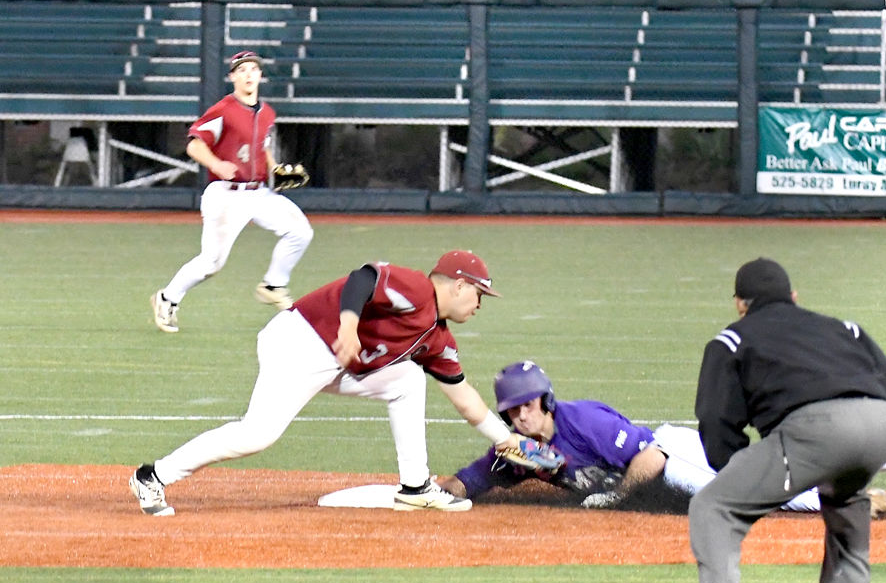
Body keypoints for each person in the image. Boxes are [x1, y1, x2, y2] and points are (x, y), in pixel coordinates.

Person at [656, 257, 886, 583]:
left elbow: (717, 420)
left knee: (713, 506)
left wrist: (735, 472)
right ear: (794, 296)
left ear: (740, 304)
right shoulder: (846, 330)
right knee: (844, 492)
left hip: (815, 431)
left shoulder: (731, 340)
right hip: (882, 425)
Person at [130, 250, 520, 515]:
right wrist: (349, 326)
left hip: (340, 364)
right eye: (479, 294)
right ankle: (152, 476)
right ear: (459, 285)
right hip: (300, 342)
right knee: (257, 435)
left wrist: (507, 440)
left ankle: (416, 488)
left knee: (408, 380)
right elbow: (363, 278)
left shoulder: (438, 338)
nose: (480, 304)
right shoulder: (417, 290)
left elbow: (465, 400)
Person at [437, 360, 824, 512]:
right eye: (512, 410)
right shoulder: (519, 453)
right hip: (662, 472)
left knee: (771, 491)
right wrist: (431, 488)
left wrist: (617, 496)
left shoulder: (584, 420)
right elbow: (471, 480)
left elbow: (653, 456)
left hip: (674, 456)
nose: (522, 415)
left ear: (546, 399)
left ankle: (841, 484)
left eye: (528, 404)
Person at [150, 50, 314, 333]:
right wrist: (216, 164)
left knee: (300, 232)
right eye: (242, 70)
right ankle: (167, 298)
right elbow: (194, 144)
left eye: (253, 69)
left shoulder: (267, 113)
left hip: (258, 193)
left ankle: (273, 284)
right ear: (232, 77)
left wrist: (275, 168)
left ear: (260, 75)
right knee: (211, 263)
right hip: (225, 194)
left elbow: (262, 147)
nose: (248, 74)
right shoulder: (223, 110)